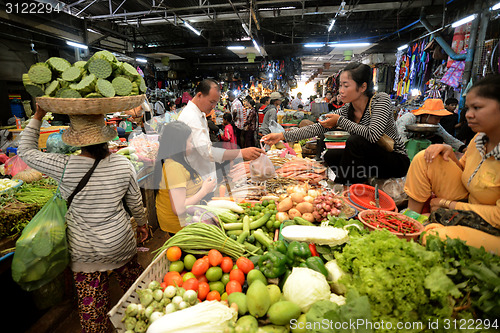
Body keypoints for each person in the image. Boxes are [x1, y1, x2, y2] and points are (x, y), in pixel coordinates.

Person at [19, 106, 148, 333]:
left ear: (77, 141)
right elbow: (136, 203)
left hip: (85, 252)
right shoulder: (123, 164)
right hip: (120, 244)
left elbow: (26, 152)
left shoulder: (65, 166)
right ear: (106, 139)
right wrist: (143, 224)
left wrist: (38, 116)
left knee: (93, 311)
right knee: (136, 295)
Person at [263, 62, 410, 184]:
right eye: (340, 86)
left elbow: (373, 135)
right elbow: (318, 127)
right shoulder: (347, 109)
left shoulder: (380, 100)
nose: (341, 91)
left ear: (363, 87)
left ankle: (344, 186)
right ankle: (359, 184)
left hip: (394, 160)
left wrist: (340, 121)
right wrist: (281, 136)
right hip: (370, 160)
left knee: (355, 141)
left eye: (346, 86)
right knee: (330, 156)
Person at [404, 75, 500, 255]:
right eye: (469, 108)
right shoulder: (479, 139)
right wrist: (448, 151)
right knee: (426, 156)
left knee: (433, 236)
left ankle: (422, 227)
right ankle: (410, 221)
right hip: (467, 202)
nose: (468, 114)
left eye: (477, 108)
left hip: (493, 226)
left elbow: (497, 218)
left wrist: (448, 204)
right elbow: (464, 172)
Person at [177, 79, 263, 185]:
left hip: (204, 179)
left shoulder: (199, 114)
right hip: (198, 181)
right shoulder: (191, 117)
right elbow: (206, 151)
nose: (214, 106)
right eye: (211, 102)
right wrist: (241, 153)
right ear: (199, 95)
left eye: (216, 103)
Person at [155, 121, 217, 233]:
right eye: (190, 141)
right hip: (180, 227)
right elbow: (178, 208)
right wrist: (204, 190)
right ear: (180, 144)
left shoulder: (176, 162)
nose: (192, 145)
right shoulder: (174, 167)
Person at [395, 98, 467, 153]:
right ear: (427, 115)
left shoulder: (435, 125)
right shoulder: (409, 118)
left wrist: (464, 149)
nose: (438, 121)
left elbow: (448, 138)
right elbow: (400, 138)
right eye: (437, 118)